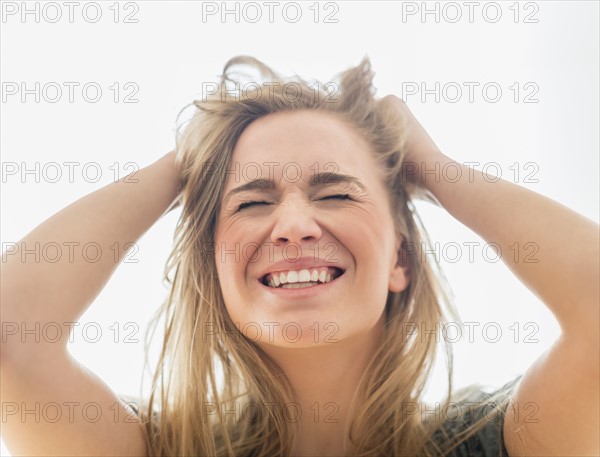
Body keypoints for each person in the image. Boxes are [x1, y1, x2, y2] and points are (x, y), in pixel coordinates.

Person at [1, 56, 598, 457]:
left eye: (335, 192)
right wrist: (181, 167)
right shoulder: (157, 448)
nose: (291, 225)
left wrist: (437, 168)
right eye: (251, 203)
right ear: (215, 267)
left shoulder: (498, 441)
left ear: (401, 261)